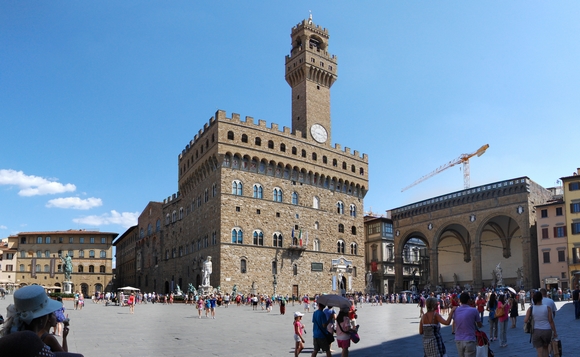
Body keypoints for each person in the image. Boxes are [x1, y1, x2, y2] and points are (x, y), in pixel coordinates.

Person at [0, 330, 83, 357]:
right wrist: (64, 338)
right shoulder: (30, 338)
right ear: (45, 318)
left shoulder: (19, 333)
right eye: (52, 314)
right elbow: (64, 354)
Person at [524, 291, 557, 357]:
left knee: (539, 352)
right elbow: (551, 321)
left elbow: (525, 320)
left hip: (536, 331)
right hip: (547, 330)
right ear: (541, 298)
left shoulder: (531, 309)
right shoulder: (547, 308)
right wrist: (555, 332)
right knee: (546, 349)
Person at [453, 292, 482, 357]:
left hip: (458, 339)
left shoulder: (455, 310)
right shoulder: (474, 310)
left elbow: (455, 321)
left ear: (460, 300)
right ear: (469, 300)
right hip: (470, 339)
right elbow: (479, 324)